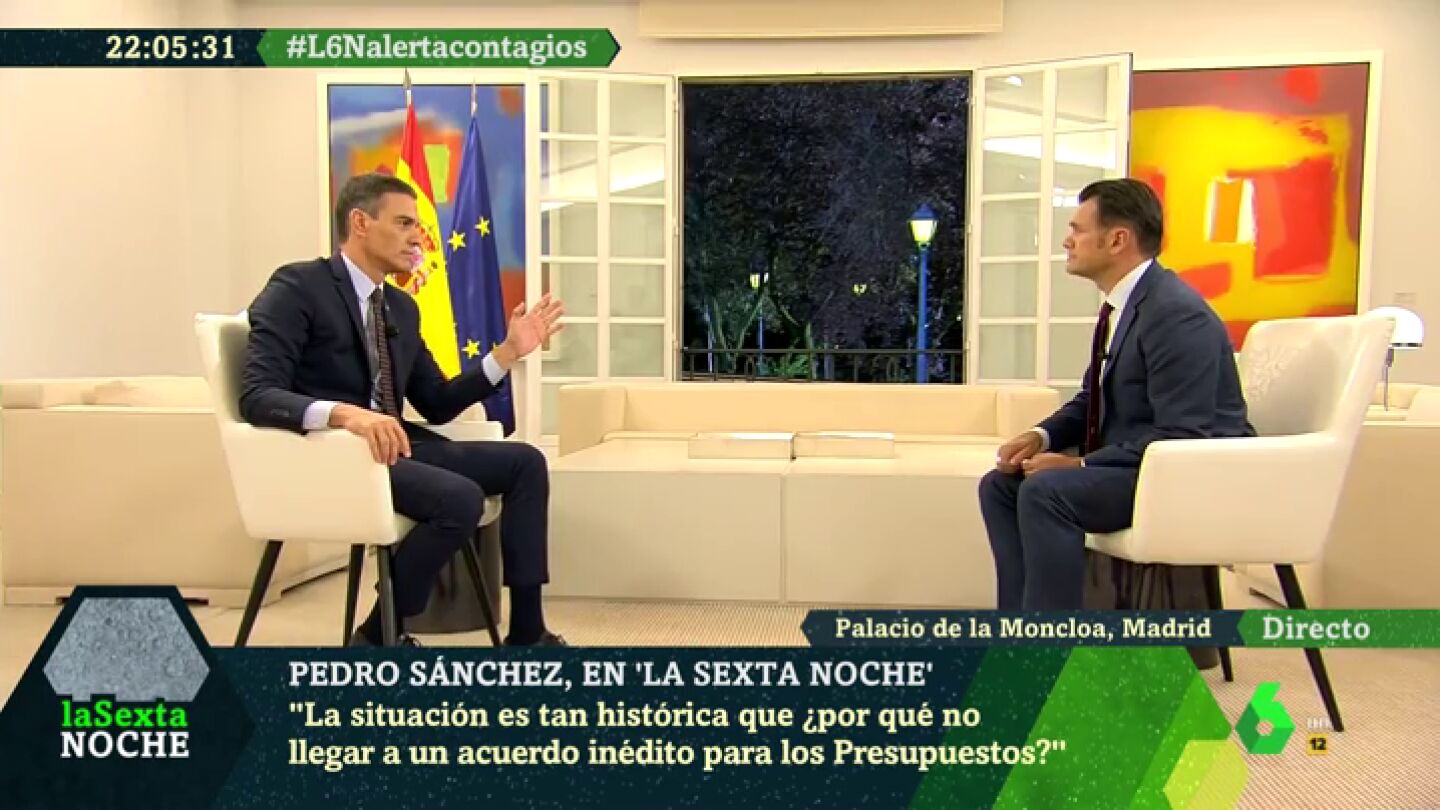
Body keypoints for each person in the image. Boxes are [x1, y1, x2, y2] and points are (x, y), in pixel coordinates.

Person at [241, 173, 567, 646]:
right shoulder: (298, 287)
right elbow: (257, 395)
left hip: (395, 446)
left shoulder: (400, 307)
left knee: (526, 464)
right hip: (332, 454)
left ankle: (528, 635)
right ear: (360, 223)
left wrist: (506, 354)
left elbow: (435, 402)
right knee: (459, 499)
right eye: (404, 223)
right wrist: (346, 415)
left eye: (417, 225)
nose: (418, 237)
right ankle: (379, 635)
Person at [977, 178, 1254, 610]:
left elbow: (1183, 434)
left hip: (1186, 475)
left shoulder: (1175, 314)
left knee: (1047, 491)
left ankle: (1051, 641)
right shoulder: (1125, 307)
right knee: (1000, 486)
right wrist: (1041, 436)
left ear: (1117, 240)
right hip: (1141, 466)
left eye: (1077, 229)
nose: (1067, 241)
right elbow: (1093, 398)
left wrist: (1079, 464)